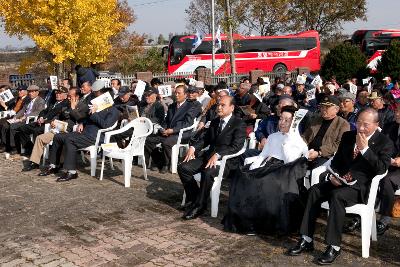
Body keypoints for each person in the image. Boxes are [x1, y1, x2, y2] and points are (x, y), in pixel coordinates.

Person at [288, 108, 393, 265]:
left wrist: (365, 149)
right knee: (314, 191)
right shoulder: (348, 136)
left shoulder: (384, 142)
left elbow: (381, 169)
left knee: (337, 196)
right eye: (358, 123)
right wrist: (334, 175)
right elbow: (336, 162)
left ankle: (334, 246)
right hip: (341, 180)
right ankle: (306, 238)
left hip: (361, 188)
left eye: (366, 124)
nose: (361, 128)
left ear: (376, 124)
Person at [223, 105, 308, 234]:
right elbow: (263, 154)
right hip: (267, 164)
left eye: (287, 120)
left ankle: (259, 223)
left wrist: (288, 139)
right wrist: (255, 166)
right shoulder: (273, 136)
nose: (282, 122)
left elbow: (290, 161)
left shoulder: (298, 141)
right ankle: (244, 220)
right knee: (242, 175)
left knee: (263, 182)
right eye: (281, 119)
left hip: (284, 170)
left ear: (294, 122)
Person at [178, 95, 246, 220]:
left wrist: (219, 154)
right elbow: (205, 139)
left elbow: (236, 147)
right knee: (183, 168)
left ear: (232, 107)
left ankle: (200, 206)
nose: (219, 107)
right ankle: (195, 198)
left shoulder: (239, 124)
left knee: (207, 172)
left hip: (227, 161)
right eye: (218, 105)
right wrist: (193, 147)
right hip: (209, 156)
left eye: (222, 105)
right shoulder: (215, 121)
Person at [39, 87, 119, 182]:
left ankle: (72, 172)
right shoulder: (98, 108)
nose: (98, 99)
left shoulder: (113, 110)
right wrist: (82, 123)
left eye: (100, 96)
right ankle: (54, 165)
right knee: (58, 136)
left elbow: (106, 125)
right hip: (85, 133)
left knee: (70, 139)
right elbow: (86, 119)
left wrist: (94, 114)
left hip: (95, 137)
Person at [22, 87, 81, 172]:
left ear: (77, 97)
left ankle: (56, 164)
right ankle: (34, 162)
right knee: (39, 138)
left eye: (70, 96)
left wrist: (73, 109)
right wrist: (53, 121)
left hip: (68, 131)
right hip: (57, 128)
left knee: (54, 136)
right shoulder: (63, 104)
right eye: (68, 96)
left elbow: (80, 119)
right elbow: (54, 115)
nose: (69, 98)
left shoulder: (78, 105)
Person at [144, 85, 197, 173]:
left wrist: (173, 130)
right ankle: (158, 161)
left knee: (166, 142)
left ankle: (166, 163)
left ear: (185, 94)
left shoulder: (191, 106)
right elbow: (166, 120)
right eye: (175, 93)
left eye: (179, 93)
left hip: (182, 133)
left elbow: (187, 123)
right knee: (149, 139)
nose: (176, 95)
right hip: (169, 131)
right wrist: (163, 129)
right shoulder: (172, 106)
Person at [15, 86, 69, 156]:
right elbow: (43, 111)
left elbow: (57, 116)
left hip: (50, 124)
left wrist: (45, 120)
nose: (57, 95)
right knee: (22, 128)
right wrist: (41, 117)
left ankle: (38, 154)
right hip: (41, 121)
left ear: (65, 96)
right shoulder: (53, 103)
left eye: (60, 93)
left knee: (36, 131)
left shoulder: (65, 104)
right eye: (57, 93)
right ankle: (30, 149)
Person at [303, 95, 350, 170]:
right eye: (322, 107)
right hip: (307, 152)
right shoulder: (316, 120)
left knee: (315, 171)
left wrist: (319, 152)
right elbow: (305, 137)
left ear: (336, 109)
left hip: (325, 156)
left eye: (327, 107)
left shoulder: (343, 124)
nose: (323, 109)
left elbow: (339, 144)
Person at [376, 103, 400, 235]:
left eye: (399, 111)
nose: (396, 113)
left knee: (387, 180)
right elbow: (381, 144)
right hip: (387, 163)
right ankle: (359, 214)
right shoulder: (389, 126)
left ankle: (384, 219)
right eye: (396, 110)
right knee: (366, 173)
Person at [1, 85, 45, 155]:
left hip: (30, 120)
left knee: (13, 126)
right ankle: (5, 145)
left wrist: (24, 117)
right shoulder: (28, 100)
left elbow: (37, 112)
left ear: (37, 92)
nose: (30, 93)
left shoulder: (40, 101)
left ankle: (14, 147)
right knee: (5, 125)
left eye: (32, 92)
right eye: (29, 92)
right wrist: (15, 117)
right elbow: (22, 110)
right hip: (22, 118)